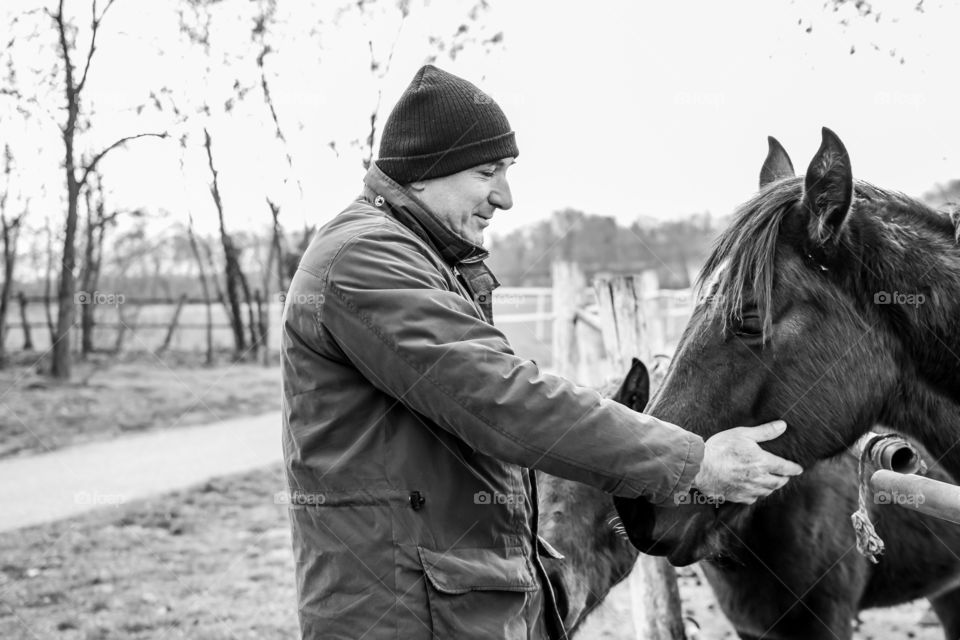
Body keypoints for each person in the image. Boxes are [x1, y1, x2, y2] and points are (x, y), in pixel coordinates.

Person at [280, 64, 803, 640]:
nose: (504, 196)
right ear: (425, 171)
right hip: (404, 615)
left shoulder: (420, 258)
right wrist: (694, 461)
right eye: (488, 172)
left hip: (438, 605)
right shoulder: (365, 261)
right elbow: (503, 400)